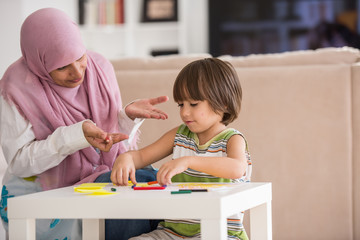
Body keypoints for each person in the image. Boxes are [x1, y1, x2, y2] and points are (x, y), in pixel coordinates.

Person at [0, 8, 168, 240]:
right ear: (39, 61)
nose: (77, 72)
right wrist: (75, 136)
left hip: (99, 174)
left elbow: (108, 143)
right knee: (123, 192)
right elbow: (19, 162)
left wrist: (126, 117)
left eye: (80, 58)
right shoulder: (17, 87)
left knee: (152, 179)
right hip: (42, 187)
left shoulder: (99, 68)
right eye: (62, 67)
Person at [111, 58, 253, 240]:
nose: (185, 112)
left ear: (223, 103)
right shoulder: (180, 135)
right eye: (181, 104)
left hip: (221, 233)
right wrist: (127, 158)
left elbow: (237, 168)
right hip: (172, 232)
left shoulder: (232, 139)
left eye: (193, 104)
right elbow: (141, 156)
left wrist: (188, 161)